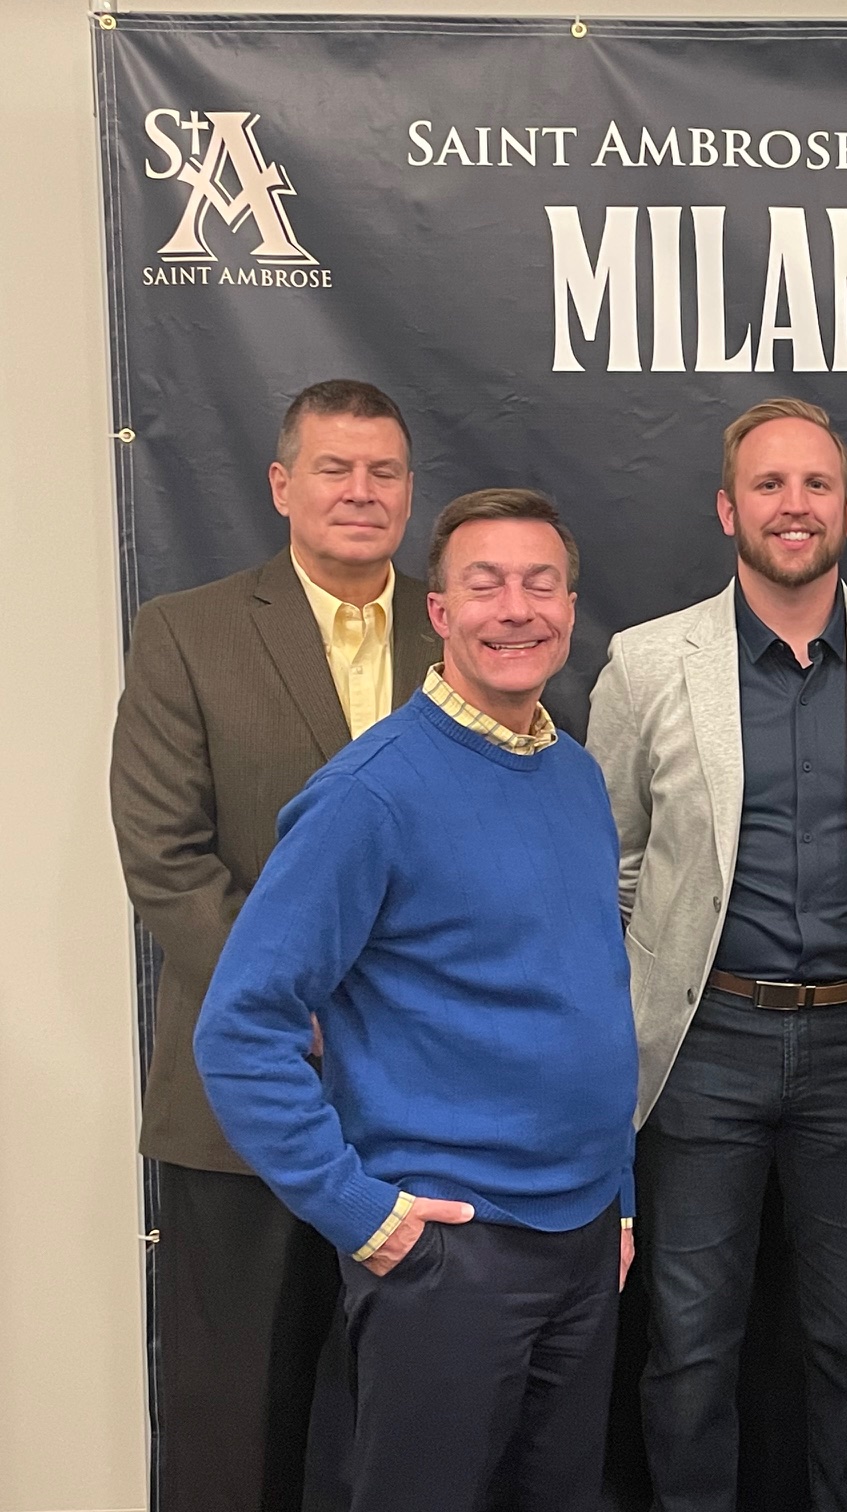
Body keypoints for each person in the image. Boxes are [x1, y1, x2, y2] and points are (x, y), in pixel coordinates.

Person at [192, 488, 637, 1512]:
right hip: (449, 1249)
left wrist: (619, 1193)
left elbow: (591, 997)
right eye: (486, 586)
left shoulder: (572, 776)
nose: (516, 609)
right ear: (438, 613)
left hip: (582, 1238)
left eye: (542, 584)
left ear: (572, 608)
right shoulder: (371, 795)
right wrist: (363, 1213)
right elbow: (241, 1027)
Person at [587, 398, 847, 1512]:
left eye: (814, 485)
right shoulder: (648, 663)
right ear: (727, 509)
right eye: (768, 485)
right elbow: (609, 862)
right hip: (701, 1048)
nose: (792, 506)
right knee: (691, 1343)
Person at [108, 378, 436, 1512]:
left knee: (406, 1424)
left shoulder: (465, 634)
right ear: (282, 485)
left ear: (410, 491)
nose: (361, 492)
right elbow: (164, 852)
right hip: (244, 1101)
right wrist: (278, 1004)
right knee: (237, 1421)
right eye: (335, 469)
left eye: (383, 471)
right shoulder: (187, 633)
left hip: (423, 1108)